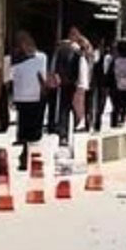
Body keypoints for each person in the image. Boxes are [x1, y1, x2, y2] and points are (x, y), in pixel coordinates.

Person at [9, 31, 47, 170]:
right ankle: (25, 155)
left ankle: (29, 155)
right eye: (21, 42)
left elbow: (42, 77)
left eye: (26, 41)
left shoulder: (40, 57)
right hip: (22, 97)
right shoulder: (16, 59)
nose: (24, 45)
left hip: (35, 97)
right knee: (24, 129)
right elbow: (9, 78)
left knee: (33, 130)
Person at [48, 38, 89, 143]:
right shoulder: (78, 53)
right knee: (75, 107)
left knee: (63, 108)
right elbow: (81, 71)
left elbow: (54, 68)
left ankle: (63, 133)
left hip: (64, 83)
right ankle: (76, 127)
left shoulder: (60, 52)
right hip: (74, 84)